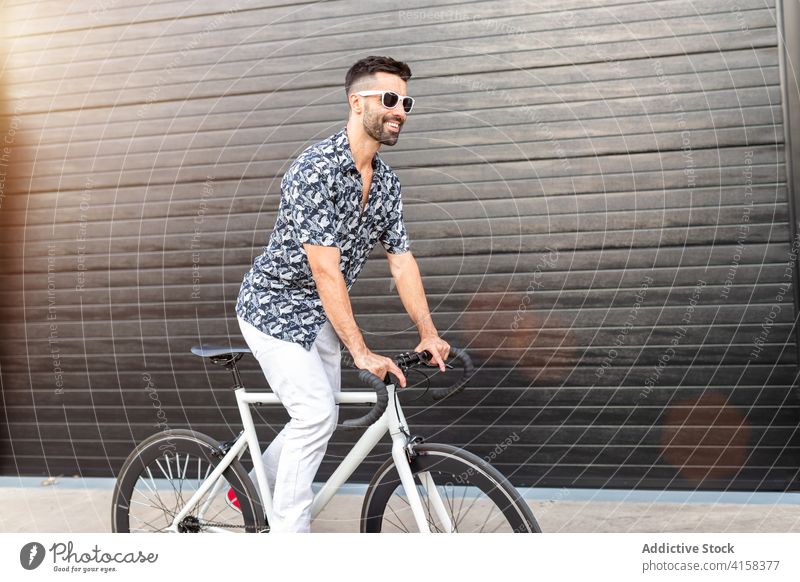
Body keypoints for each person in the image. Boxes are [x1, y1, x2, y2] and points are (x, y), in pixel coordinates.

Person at [232, 55, 450, 532]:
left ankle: (247, 488)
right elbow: (325, 272)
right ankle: (289, 540)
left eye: (406, 101)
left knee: (321, 418)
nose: (401, 110)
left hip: (320, 313)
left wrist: (428, 332)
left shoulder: (387, 182)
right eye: (389, 99)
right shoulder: (314, 171)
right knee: (313, 414)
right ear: (357, 102)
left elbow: (401, 259)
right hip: (273, 306)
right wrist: (361, 352)